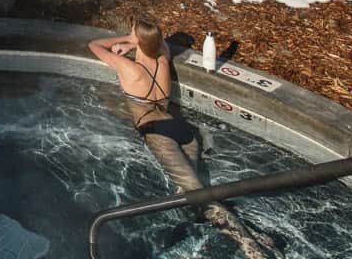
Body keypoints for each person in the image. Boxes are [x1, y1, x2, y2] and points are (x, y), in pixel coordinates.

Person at [89, 19, 275, 259]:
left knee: (198, 197)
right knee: (195, 191)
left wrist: (126, 42)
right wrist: (136, 44)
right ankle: (248, 233)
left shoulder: (130, 69)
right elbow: (160, 44)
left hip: (158, 134)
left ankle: (249, 246)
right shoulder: (163, 59)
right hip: (182, 131)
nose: (129, 35)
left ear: (138, 40)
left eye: (132, 33)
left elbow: (95, 45)